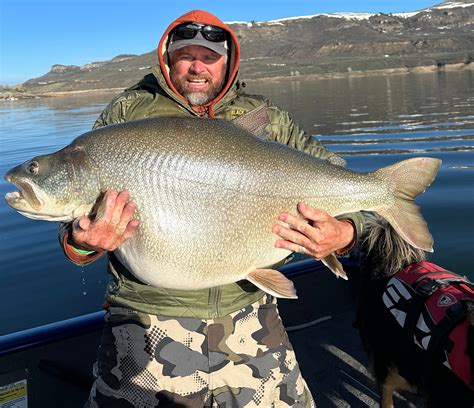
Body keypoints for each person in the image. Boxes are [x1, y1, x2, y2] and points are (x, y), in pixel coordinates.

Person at [60, 9, 365, 407]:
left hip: (252, 311)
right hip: (146, 319)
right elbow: (74, 222)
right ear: (168, 58)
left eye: (209, 57)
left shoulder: (267, 118)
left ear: (228, 61)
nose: (197, 66)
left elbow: (337, 177)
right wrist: (83, 242)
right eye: (186, 55)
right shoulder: (126, 114)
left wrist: (345, 232)